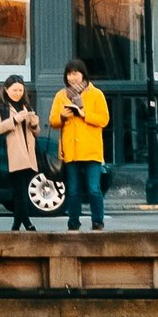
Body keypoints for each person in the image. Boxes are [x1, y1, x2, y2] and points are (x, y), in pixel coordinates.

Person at [48, 63, 111, 229]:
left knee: (93, 188)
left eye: (75, 73)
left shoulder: (96, 94)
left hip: (91, 150)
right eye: (68, 74)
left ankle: (98, 221)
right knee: (73, 190)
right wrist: (61, 116)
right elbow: (52, 121)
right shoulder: (61, 96)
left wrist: (84, 114)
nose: (71, 77)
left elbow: (104, 119)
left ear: (83, 74)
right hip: (71, 150)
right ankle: (73, 222)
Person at [0, 73, 43, 229]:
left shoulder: (27, 106)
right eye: (14, 90)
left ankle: (16, 225)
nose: (18, 93)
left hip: (28, 154)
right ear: (6, 89)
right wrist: (14, 120)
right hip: (13, 155)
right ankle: (27, 223)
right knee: (20, 191)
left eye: (20, 90)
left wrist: (34, 124)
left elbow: (35, 132)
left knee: (22, 190)